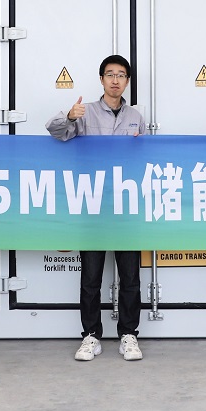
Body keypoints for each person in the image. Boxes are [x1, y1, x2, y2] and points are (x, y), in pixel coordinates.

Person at [46, 54, 146, 362]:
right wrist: (70, 116)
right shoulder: (84, 111)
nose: (115, 80)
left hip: (126, 207)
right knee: (91, 276)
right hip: (93, 206)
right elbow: (55, 131)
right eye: (110, 74)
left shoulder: (136, 116)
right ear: (101, 79)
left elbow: (145, 160)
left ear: (127, 81)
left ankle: (128, 334)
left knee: (130, 276)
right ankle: (90, 335)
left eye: (121, 75)